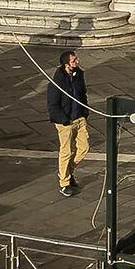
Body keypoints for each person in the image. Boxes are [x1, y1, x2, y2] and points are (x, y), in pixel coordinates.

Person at [47, 48, 89, 197]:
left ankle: (67, 171)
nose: (77, 62)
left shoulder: (78, 76)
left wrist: (85, 112)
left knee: (84, 148)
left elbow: (82, 94)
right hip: (66, 122)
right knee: (66, 151)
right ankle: (64, 183)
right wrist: (64, 120)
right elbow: (52, 106)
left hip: (79, 118)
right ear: (66, 64)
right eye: (73, 60)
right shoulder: (56, 83)